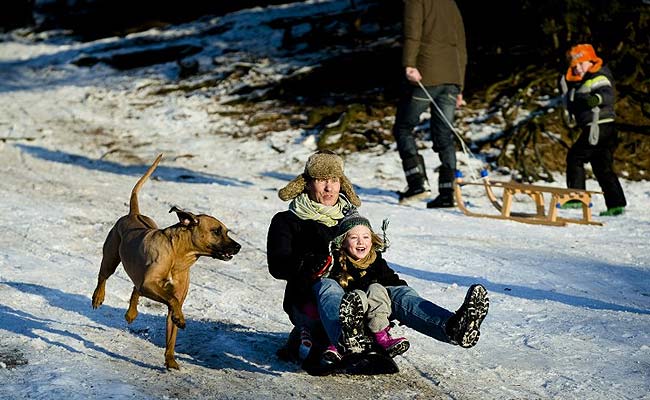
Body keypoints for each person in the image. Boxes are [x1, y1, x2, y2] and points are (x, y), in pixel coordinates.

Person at [266, 150, 361, 365]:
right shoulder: (286, 221)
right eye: (321, 180)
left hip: (352, 298)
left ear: (342, 183)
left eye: (334, 180)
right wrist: (307, 263)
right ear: (306, 184)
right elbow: (278, 267)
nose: (329, 188)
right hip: (305, 298)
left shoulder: (352, 220)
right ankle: (314, 338)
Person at [392, 0, 467, 208]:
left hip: (426, 72)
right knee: (444, 134)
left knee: (403, 127)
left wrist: (409, 64)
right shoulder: (452, 4)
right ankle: (448, 192)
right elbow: (461, 46)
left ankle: (417, 183)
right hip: (452, 77)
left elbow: (412, 31)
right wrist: (460, 84)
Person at [323, 212, 410, 359]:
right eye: (354, 237)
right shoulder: (337, 262)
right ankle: (339, 341)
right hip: (348, 319)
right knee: (358, 295)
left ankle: (381, 336)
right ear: (343, 242)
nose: (360, 242)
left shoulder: (376, 260)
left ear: (372, 240)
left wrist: (404, 302)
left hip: (372, 317)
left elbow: (392, 280)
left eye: (365, 237)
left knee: (377, 289)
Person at [560, 44, 627, 216]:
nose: (578, 68)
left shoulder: (599, 75)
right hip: (605, 129)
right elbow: (574, 103)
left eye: (582, 64)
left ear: (592, 61)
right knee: (602, 166)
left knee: (575, 157)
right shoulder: (579, 83)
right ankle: (616, 205)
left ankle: (576, 197)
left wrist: (596, 99)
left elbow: (608, 94)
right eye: (575, 66)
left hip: (599, 126)